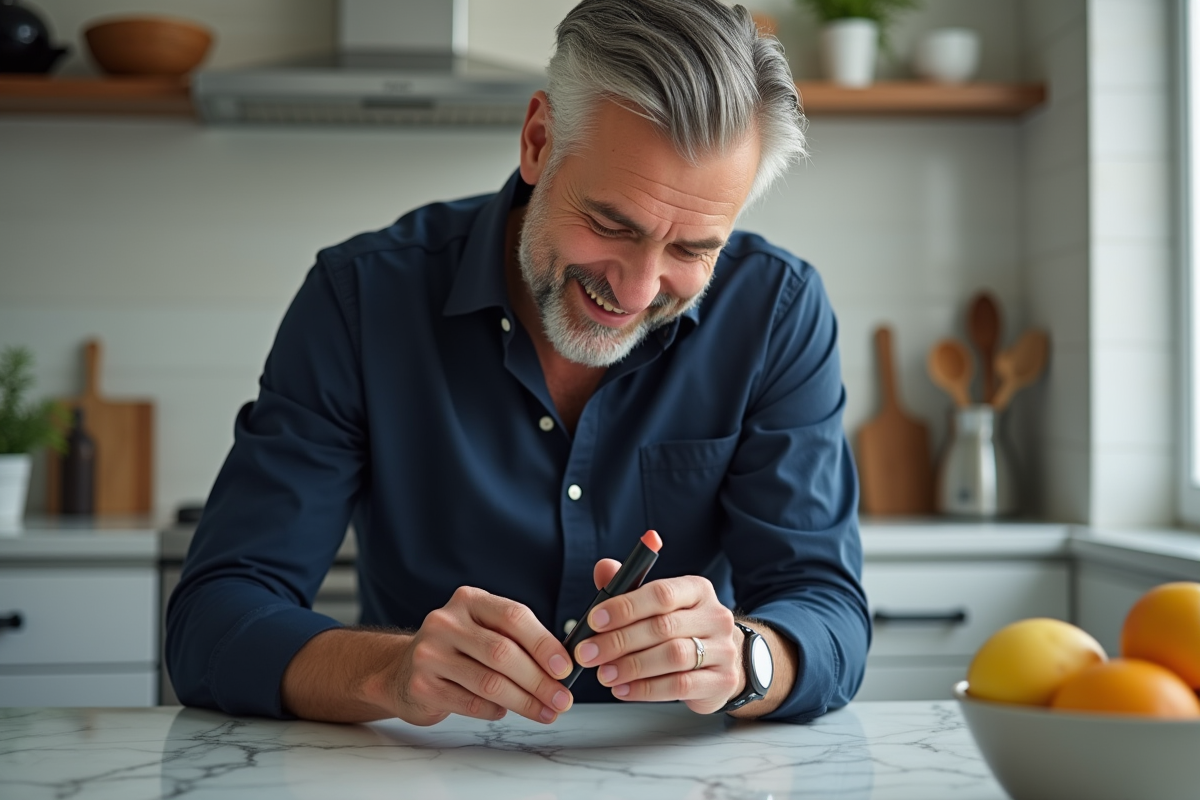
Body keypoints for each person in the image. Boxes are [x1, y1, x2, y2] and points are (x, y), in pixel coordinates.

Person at [166, 0, 870, 727]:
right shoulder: (360, 301)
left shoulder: (778, 313)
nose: (635, 290)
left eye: (692, 250)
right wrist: (392, 671)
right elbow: (212, 622)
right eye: (609, 223)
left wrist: (746, 658)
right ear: (538, 141)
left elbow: (827, 610)